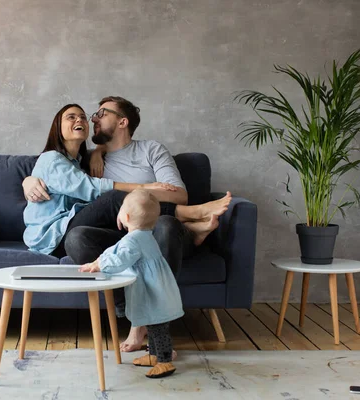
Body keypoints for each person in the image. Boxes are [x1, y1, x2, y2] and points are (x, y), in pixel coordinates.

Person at [23, 96, 232, 352]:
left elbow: (178, 193)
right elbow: (62, 174)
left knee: (165, 224)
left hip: (157, 231)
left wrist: (141, 197)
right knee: (77, 237)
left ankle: (144, 326)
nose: (92, 119)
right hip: (117, 235)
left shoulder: (150, 150)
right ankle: (191, 217)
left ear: (122, 122)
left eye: (101, 113)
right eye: (92, 115)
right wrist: (29, 180)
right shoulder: (88, 160)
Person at [23, 103, 179, 257]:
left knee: (123, 214)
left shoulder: (80, 163)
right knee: (113, 197)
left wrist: (98, 151)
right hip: (51, 237)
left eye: (83, 117)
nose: (80, 120)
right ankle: (186, 213)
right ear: (58, 127)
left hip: (69, 230)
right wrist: (146, 187)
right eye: (71, 117)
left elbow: (109, 147)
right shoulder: (51, 158)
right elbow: (90, 188)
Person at [80, 189, 183, 379]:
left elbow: (120, 260)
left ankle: (164, 361)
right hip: (156, 289)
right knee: (152, 325)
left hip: (154, 293)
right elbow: (115, 250)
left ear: (125, 216)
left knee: (158, 329)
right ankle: (154, 356)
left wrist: (101, 265)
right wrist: (99, 260)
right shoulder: (143, 235)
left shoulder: (134, 241)